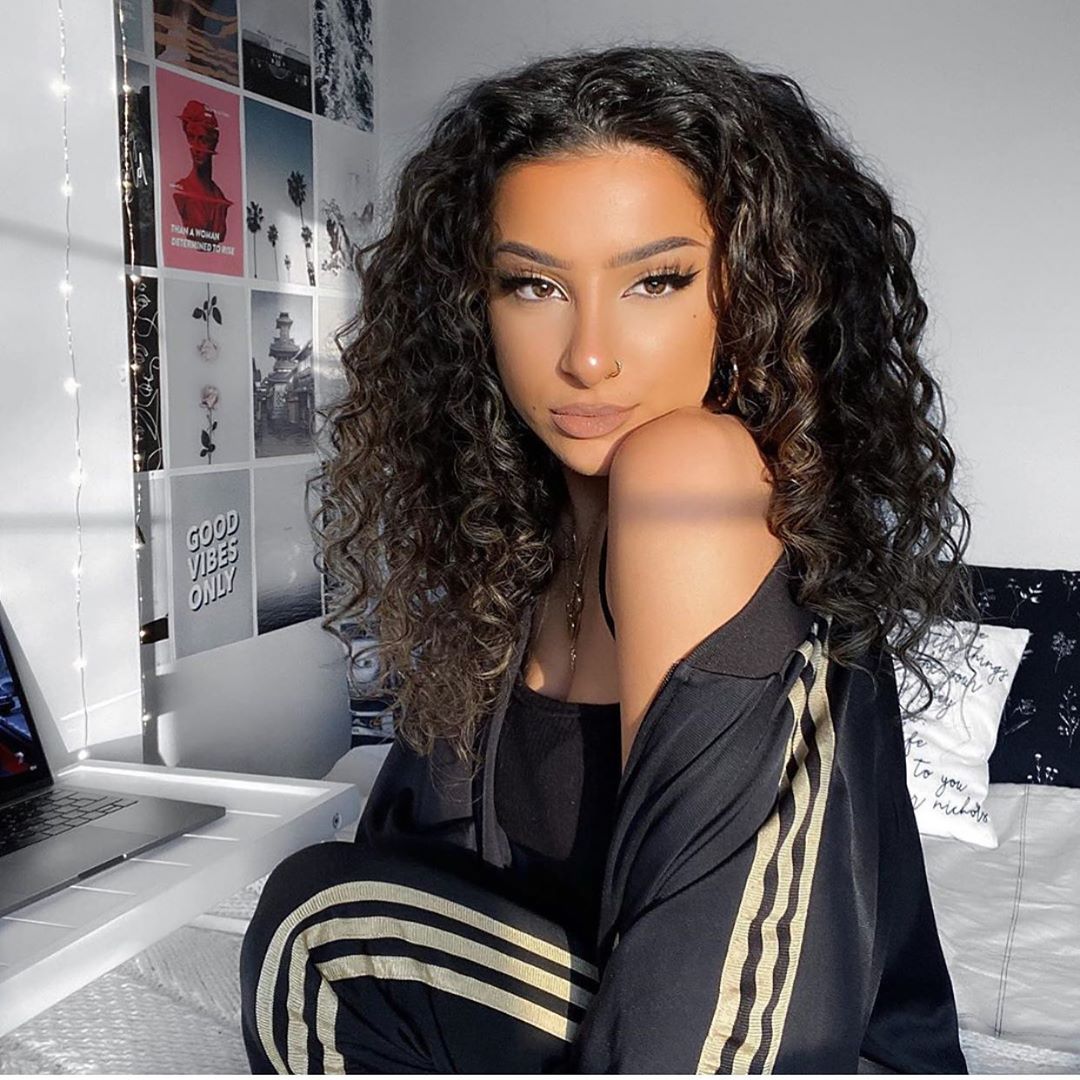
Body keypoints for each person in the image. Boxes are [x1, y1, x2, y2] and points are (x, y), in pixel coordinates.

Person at [240, 43, 983, 1073]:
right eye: (533, 285)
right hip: (613, 1029)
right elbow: (430, 878)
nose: (588, 355)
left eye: (656, 281)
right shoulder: (511, 544)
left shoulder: (695, 479)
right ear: (472, 308)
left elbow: (726, 1003)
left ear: (755, 292)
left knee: (320, 935)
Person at [171, 99, 232, 247]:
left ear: (214, 142)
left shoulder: (219, 197)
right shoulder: (181, 191)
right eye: (191, 138)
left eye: (203, 139)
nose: (196, 147)